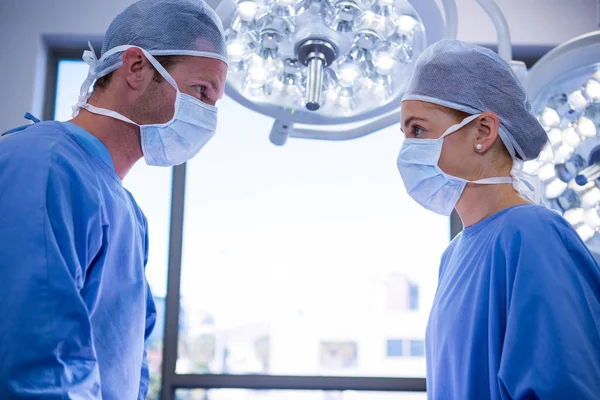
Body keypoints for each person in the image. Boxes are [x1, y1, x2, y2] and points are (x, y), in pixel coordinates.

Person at [0, 0, 228, 398]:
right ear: (137, 68)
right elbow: (37, 364)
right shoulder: (45, 165)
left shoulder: (130, 216)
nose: (208, 114)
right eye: (201, 91)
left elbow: (127, 366)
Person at [396, 40, 600, 399]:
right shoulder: (454, 256)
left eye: (418, 130)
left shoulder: (532, 235)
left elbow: (565, 386)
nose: (407, 149)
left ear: (483, 132)